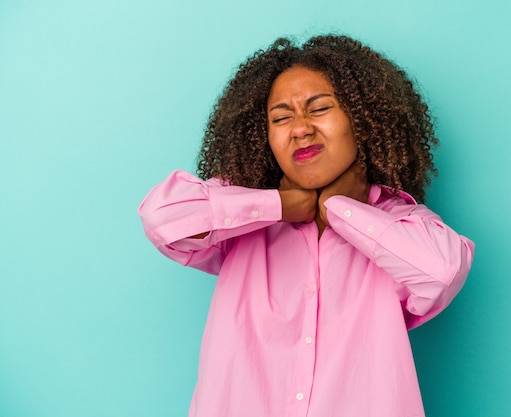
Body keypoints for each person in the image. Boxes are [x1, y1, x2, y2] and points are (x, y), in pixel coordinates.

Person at [138, 34, 474, 417]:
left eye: (319, 109)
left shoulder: (399, 221)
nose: (300, 129)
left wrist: (341, 210)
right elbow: (162, 217)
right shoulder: (240, 219)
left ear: (361, 121)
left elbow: (442, 272)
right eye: (281, 118)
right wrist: (279, 205)